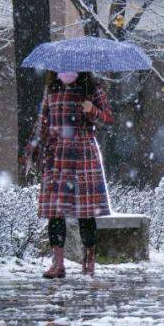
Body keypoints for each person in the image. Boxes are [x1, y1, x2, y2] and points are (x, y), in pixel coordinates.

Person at [25, 70, 113, 278]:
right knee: (55, 212)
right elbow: (43, 121)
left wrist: (92, 110)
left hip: (83, 154)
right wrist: (32, 150)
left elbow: (107, 120)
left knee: (86, 211)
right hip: (56, 155)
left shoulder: (92, 88)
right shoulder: (52, 89)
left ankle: (88, 262)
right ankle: (58, 264)